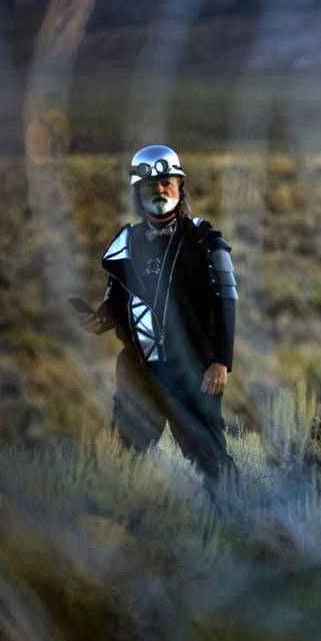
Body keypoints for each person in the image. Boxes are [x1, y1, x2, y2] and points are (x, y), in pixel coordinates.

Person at [79, 144, 238, 493]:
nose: (159, 190)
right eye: (150, 185)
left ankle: (238, 526)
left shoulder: (204, 238)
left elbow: (226, 302)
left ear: (180, 187)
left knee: (210, 459)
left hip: (193, 369)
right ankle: (121, 531)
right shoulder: (127, 241)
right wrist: (98, 320)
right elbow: (117, 300)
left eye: (167, 182)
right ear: (138, 193)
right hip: (138, 371)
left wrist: (220, 362)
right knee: (124, 457)